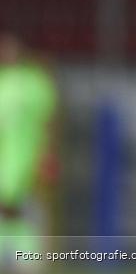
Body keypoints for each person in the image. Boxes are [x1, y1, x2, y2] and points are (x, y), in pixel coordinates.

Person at [0, 33, 58, 271]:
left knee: (29, 213)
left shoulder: (35, 82)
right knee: (9, 213)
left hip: (28, 164)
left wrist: (48, 154)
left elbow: (49, 121)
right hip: (6, 167)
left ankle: (30, 261)